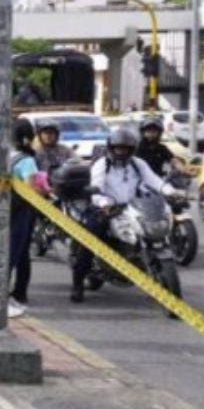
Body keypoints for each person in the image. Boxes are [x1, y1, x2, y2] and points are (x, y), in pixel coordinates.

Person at [71, 127, 174, 303]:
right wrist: (104, 203)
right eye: (118, 148)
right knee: (89, 240)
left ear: (131, 149)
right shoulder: (102, 164)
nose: (121, 151)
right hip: (104, 207)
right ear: (111, 147)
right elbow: (96, 189)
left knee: (152, 227)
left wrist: (170, 191)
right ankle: (78, 284)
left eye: (125, 148)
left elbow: (153, 180)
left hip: (133, 207)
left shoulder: (137, 163)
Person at [8, 119, 41, 317]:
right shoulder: (27, 161)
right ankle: (15, 295)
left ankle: (16, 293)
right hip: (20, 210)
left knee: (11, 252)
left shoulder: (3, 155)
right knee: (18, 252)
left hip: (2, 209)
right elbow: (31, 188)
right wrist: (43, 189)